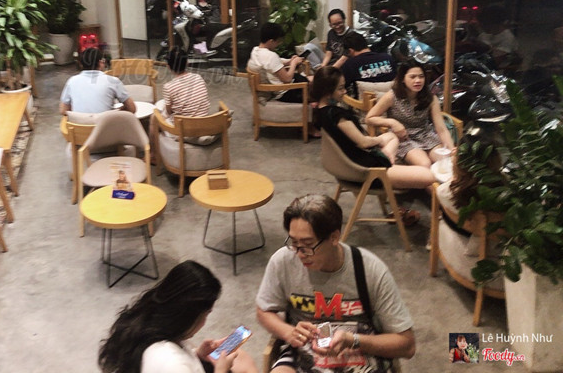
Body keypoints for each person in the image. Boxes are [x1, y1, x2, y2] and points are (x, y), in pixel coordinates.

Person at [256, 194, 416, 373]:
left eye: (308, 244)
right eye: (294, 242)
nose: (300, 254)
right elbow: (263, 310)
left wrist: (353, 340)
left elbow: (407, 345)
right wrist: (287, 331)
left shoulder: (369, 269)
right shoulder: (283, 261)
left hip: (359, 349)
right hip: (302, 351)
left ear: (334, 237)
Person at [99, 260, 258, 373]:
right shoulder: (173, 364)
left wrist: (198, 355)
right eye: (205, 315)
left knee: (240, 360)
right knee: (246, 365)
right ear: (187, 316)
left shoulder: (150, 324)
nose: (204, 322)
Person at [312, 66, 434, 192]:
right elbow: (363, 143)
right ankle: (391, 169)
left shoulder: (320, 112)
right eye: (340, 88)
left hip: (347, 165)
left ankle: (389, 163)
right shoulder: (337, 115)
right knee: (430, 176)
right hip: (365, 170)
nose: (344, 91)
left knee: (391, 137)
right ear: (327, 91)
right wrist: (378, 140)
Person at [365, 59, 454, 167]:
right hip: (403, 138)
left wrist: (451, 149)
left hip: (426, 135)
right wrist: (392, 122)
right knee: (425, 164)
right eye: (412, 77)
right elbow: (369, 118)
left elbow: (441, 129)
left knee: (446, 161)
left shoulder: (430, 98)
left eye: (421, 76)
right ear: (403, 79)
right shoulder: (392, 96)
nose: (418, 80)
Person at [59, 47, 136, 115]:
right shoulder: (112, 81)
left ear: (81, 64)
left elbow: (63, 110)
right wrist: (117, 111)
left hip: (79, 125)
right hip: (106, 125)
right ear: (101, 62)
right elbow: (132, 108)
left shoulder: (72, 81)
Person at [247, 22, 309, 103]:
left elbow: (273, 63)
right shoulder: (271, 56)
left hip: (280, 87)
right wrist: (293, 64)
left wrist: (290, 61)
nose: (279, 44)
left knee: (306, 79)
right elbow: (287, 79)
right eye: (278, 41)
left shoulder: (255, 51)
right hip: (285, 92)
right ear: (271, 41)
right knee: (312, 85)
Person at [340, 31, 396, 98]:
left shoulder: (350, 64)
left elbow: (341, 86)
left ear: (350, 51)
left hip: (365, 103)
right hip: (392, 101)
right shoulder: (387, 58)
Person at [162, 47, 210, 119]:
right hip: (205, 121)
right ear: (187, 63)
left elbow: (169, 112)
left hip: (182, 124)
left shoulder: (168, 87)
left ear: (168, 67)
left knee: (156, 116)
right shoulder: (198, 77)